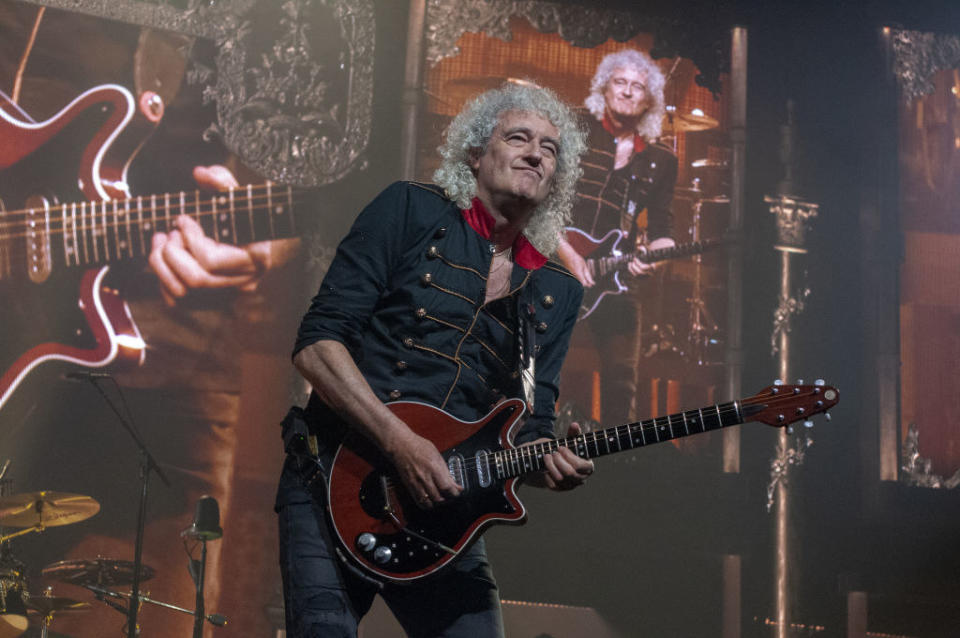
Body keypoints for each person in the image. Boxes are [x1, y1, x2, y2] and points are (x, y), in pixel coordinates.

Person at [276, 83, 593, 637]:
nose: (536, 153)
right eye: (518, 137)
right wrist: (401, 443)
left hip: (446, 511)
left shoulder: (557, 289)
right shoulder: (409, 208)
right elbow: (318, 345)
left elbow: (530, 427)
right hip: (336, 479)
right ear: (475, 153)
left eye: (550, 148)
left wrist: (549, 466)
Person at [555, 49, 678, 426]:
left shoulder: (661, 161)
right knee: (533, 369)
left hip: (613, 273)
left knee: (622, 385)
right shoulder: (570, 127)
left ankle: (615, 469)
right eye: (619, 82)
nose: (626, 92)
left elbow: (662, 231)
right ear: (604, 88)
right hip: (551, 259)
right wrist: (566, 255)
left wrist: (654, 260)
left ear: (649, 99)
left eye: (637, 86)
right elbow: (535, 200)